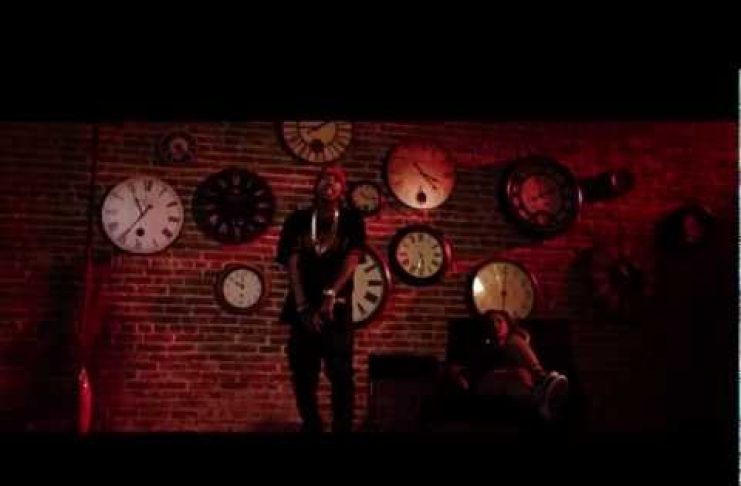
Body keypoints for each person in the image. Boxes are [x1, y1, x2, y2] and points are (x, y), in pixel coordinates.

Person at [275, 163, 366, 433]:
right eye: (324, 178)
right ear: (315, 185)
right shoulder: (297, 219)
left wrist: (331, 294)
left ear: (343, 189)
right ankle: (312, 425)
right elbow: (292, 262)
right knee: (303, 374)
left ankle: (342, 428)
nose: (329, 182)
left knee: (341, 374)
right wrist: (302, 305)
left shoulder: (351, 220)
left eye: (336, 179)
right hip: (302, 305)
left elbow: (353, 258)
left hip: (336, 308)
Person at [446, 310, 569, 422]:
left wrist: (526, 372)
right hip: (489, 384)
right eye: (491, 322)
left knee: (515, 342)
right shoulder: (484, 347)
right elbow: (470, 370)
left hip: (518, 387)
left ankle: (542, 388)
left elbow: (526, 370)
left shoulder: (514, 343)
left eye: (499, 321)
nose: (495, 325)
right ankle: (542, 387)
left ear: (508, 324)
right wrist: (513, 372)